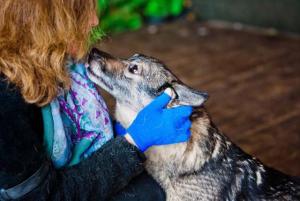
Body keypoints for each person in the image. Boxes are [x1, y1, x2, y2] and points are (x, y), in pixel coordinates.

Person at [0, 1, 193, 201]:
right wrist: (133, 142)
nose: (95, 20)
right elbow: (44, 197)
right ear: (43, 22)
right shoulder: (6, 99)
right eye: (79, 11)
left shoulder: (57, 55)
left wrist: (120, 130)